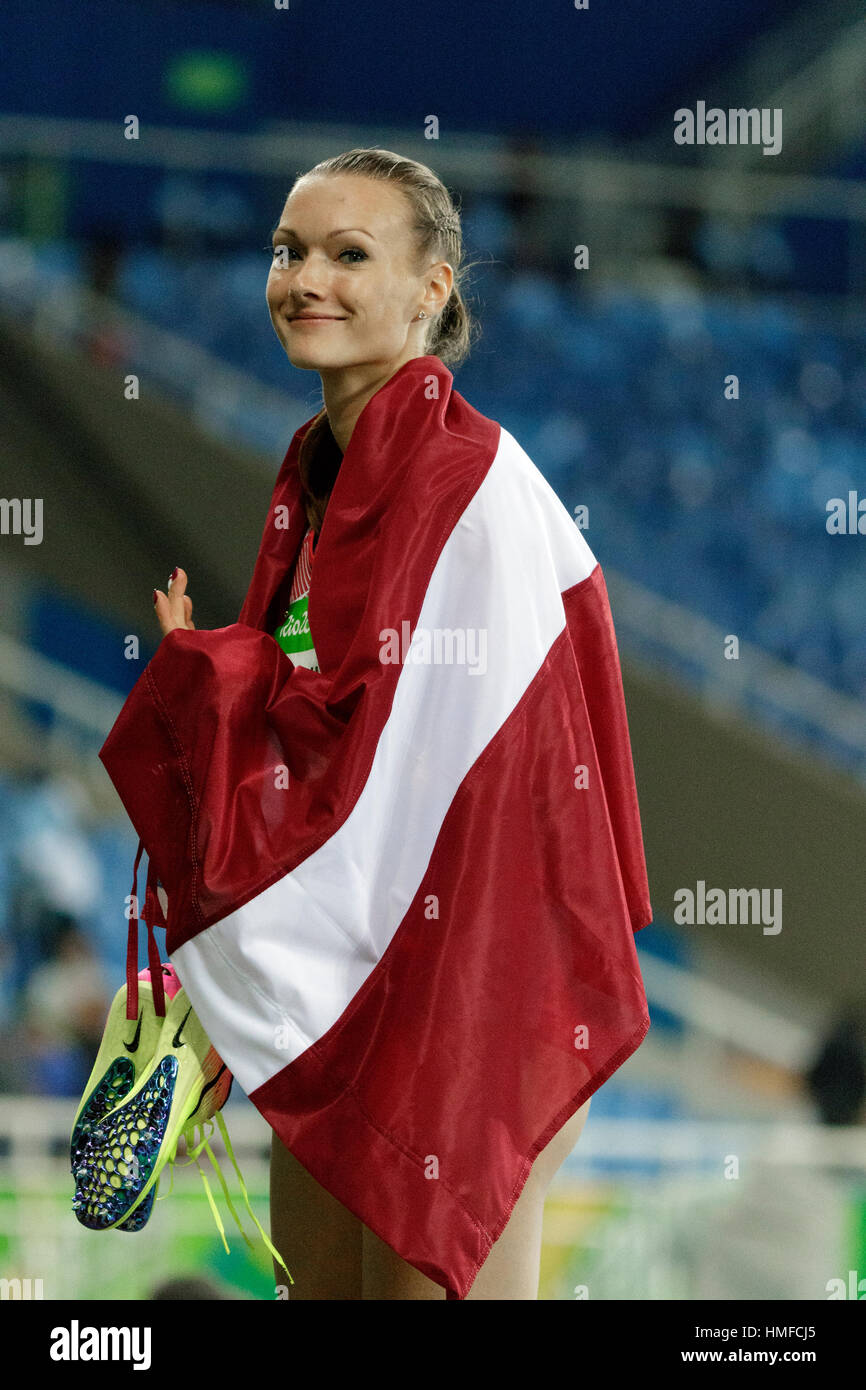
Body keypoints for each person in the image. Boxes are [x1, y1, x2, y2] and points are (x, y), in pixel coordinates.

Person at [108, 147, 651, 1300]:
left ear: (431, 290)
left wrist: (221, 682)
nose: (306, 277)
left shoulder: (470, 488)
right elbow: (334, 755)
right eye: (288, 250)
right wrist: (219, 688)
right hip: (358, 994)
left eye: (349, 254)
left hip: (472, 998)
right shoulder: (310, 487)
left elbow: (432, 775)